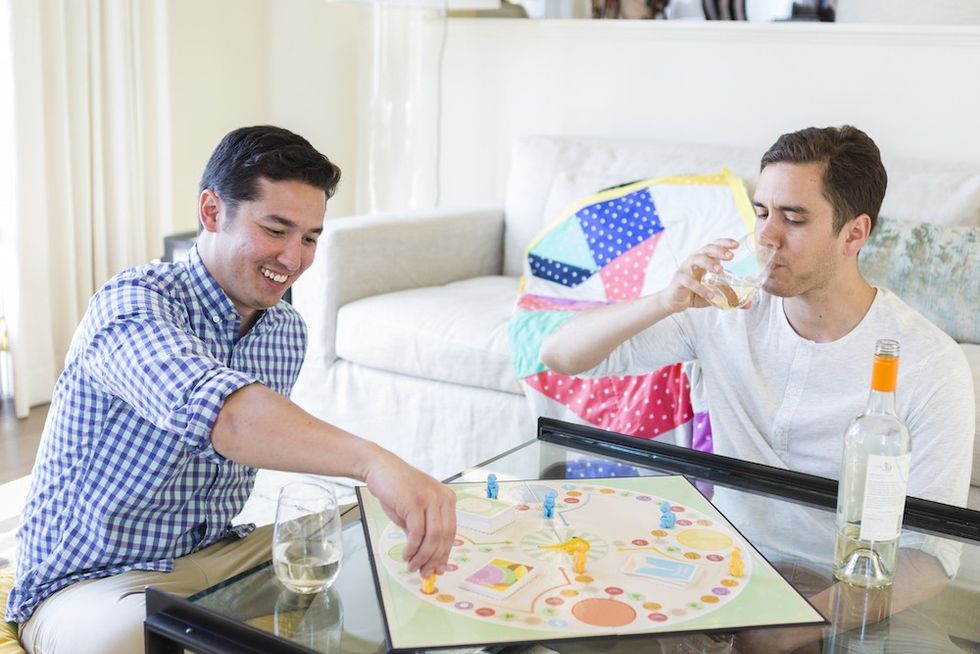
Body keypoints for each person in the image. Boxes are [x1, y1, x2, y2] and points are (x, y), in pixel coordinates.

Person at [7, 125, 457, 653]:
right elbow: (226, 417)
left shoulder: (285, 331)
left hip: (219, 555)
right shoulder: (129, 305)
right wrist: (374, 461)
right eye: (275, 229)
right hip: (93, 581)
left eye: (310, 237)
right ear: (211, 212)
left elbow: (265, 437)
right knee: (128, 641)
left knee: (378, 526)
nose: (294, 259)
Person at [541, 125, 974, 651]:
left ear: (855, 235)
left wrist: (803, 620)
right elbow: (561, 356)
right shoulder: (722, 311)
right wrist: (664, 301)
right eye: (761, 212)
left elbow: (930, 558)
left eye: (793, 218)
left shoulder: (929, 364)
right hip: (720, 568)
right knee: (567, 625)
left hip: (842, 592)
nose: (767, 237)